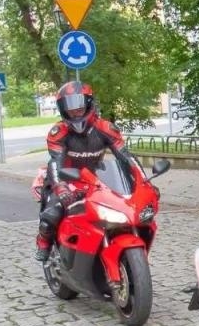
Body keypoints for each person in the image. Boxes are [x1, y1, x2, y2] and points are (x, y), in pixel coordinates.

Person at [35, 80, 133, 260]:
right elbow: (55, 162)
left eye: (79, 106)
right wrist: (61, 187)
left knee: (121, 211)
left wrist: (142, 182)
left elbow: (126, 157)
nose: (75, 111)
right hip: (65, 180)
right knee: (52, 214)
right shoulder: (59, 132)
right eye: (70, 107)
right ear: (63, 109)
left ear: (89, 103)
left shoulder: (105, 128)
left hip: (95, 180)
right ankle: (43, 242)